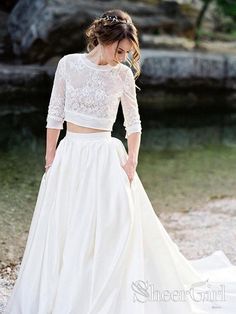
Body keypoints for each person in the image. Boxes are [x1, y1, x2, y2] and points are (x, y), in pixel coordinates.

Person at [4, 8, 236, 314]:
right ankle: (66, 291)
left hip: (106, 157)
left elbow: (134, 123)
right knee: (67, 227)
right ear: (103, 38)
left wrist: (131, 163)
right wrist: (50, 157)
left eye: (128, 52)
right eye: (120, 50)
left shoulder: (122, 75)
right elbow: (54, 113)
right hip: (70, 154)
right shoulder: (68, 64)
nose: (123, 57)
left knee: (112, 229)